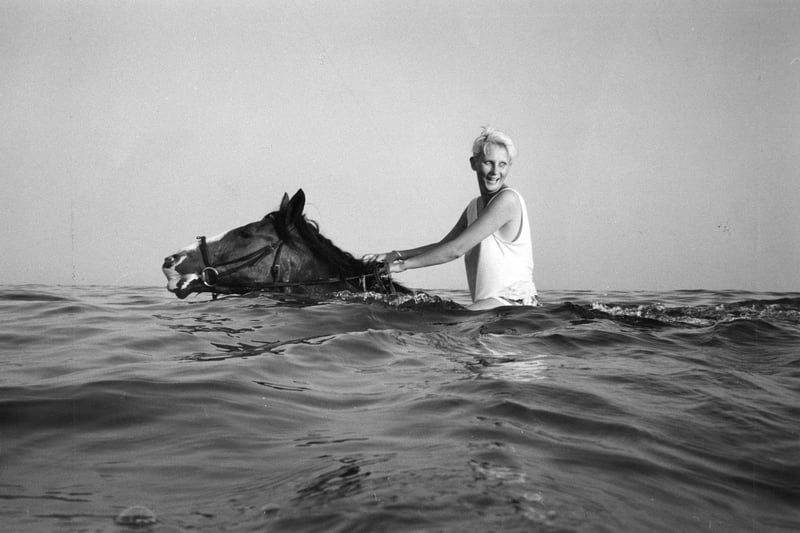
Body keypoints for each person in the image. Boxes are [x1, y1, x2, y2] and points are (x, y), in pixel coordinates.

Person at [364, 126, 537, 310]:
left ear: (509, 166)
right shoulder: (473, 207)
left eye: (502, 164)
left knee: (441, 321)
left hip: (515, 306)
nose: (495, 171)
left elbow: (456, 249)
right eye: (488, 162)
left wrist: (401, 267)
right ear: (474, 163)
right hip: (490, 307)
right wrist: (396, 255)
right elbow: (444, 245)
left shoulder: (507, 200)